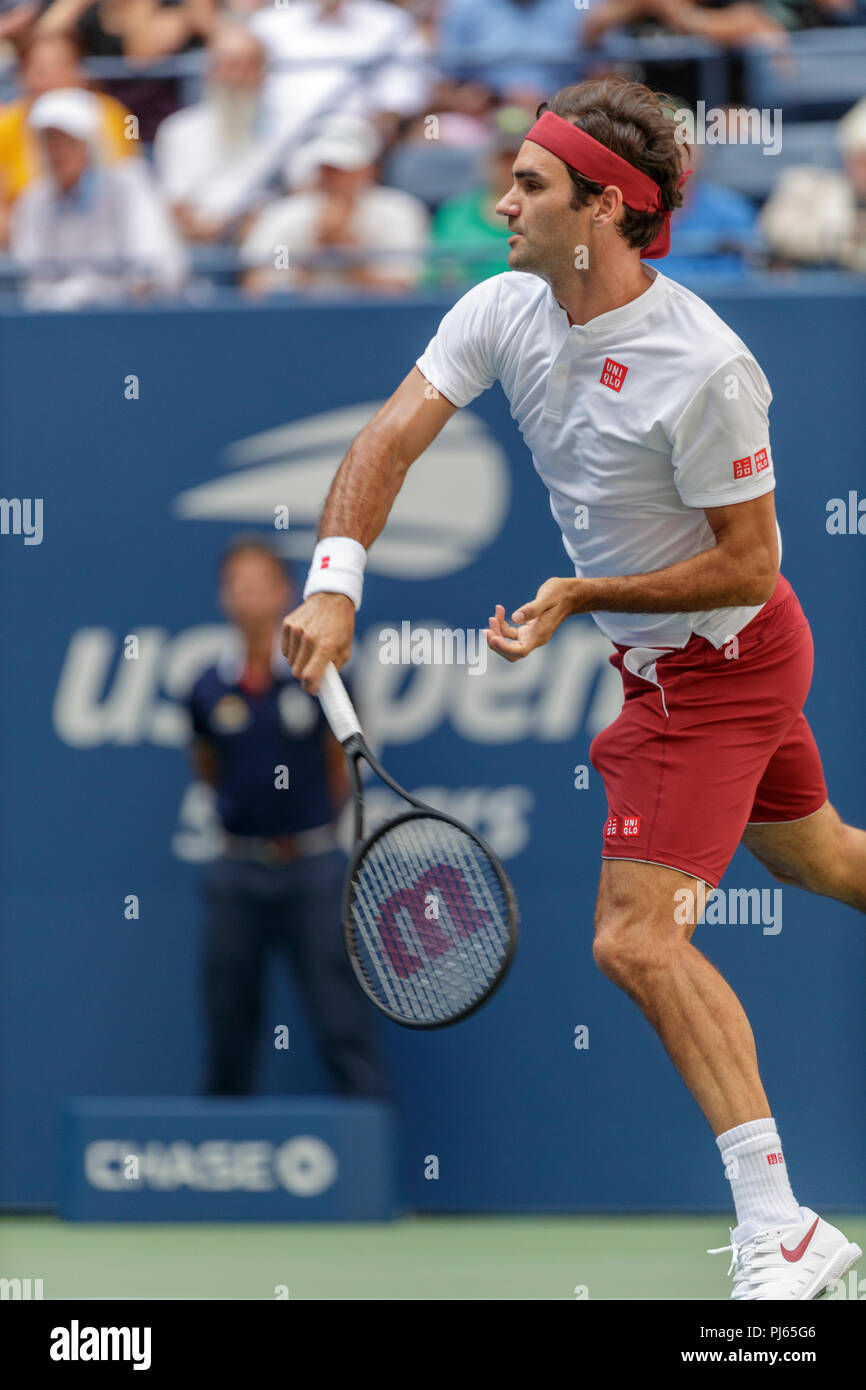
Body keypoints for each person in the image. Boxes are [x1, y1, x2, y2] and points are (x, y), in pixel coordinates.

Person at [279, 75, 865, 1300]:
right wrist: (336, 581)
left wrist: (582, 595)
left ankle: (784, 1227)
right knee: (823, 863)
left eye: (530, 186)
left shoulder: (702, 367)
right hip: (692, 656)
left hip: (715, 664)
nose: (500, 201)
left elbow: (751, 560)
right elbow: (387, 438)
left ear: (604, 208)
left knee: (633, 940)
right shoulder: (502, 309)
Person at [186, 535, 389, 1099]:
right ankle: (221, 1169)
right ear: (224, 597)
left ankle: (368, 1173)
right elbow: (207, 767)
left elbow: (337, 767)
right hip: (235, 874)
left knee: (342, 1023)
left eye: (259, 582)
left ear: (282, 592)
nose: (247, 595)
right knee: (228, 1030)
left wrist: (304, 834)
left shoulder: (320, 675)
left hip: (314, 871)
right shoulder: (206, 688)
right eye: (235, 584)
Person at [11, 85, 186, 307]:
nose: (56, 152)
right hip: (56, 326)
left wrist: (90, 293)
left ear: (89, 144)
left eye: (65, 141)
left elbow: (157, 266)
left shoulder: (130, 186)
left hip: (129, 320)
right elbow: (30, 275)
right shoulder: (34, 200)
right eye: (48, 142)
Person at [240, 113, 428, 295]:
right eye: (327, 167)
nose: (334, 176)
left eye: (345, 168)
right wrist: (313, 256)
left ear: (371, 168)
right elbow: (259, 289)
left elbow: (403, 290)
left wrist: (349, 256)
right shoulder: (281, 214)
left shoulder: (400, 212)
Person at [0, 33, 137, 247]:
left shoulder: (121, 116)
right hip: (28, 243)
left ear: (80, 72)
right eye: (38, 70)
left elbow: (125, 182)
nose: (48, 79)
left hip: (105, 237)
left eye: (58, 67)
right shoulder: (5, 125)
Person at [152, 21, 278, 244]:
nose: (237, 76)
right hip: (198, 245)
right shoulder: (178, 130)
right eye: (229, 65)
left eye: (248, 65)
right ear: (210, 71)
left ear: (263, 74)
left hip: (263, 241)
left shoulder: (282, 128)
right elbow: (176, 204)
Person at [758, 96, 866, 273]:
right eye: (861, 160)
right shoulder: (806, 188)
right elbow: (775, 230)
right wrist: (850, 234)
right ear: (847, 159)